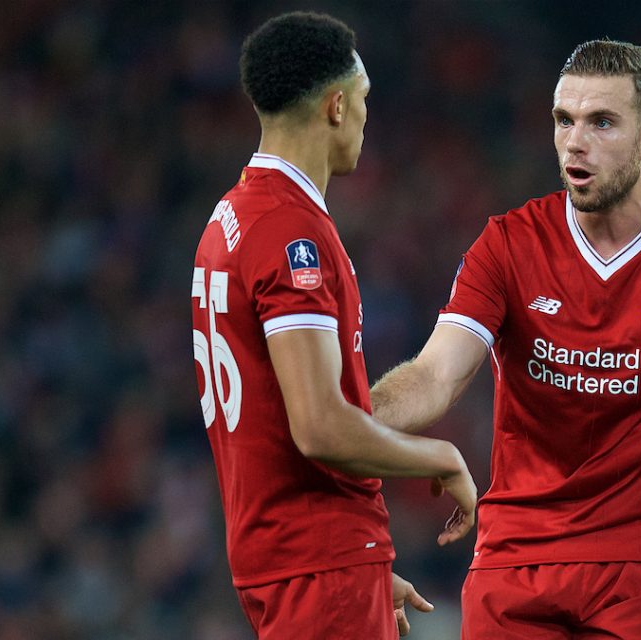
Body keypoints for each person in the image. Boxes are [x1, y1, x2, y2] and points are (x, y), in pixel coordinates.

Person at [370, 39, 641, 638]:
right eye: (564, 120)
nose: (575, 142)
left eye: (602, 122)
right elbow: (435, 376)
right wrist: (348, 416)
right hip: (518, 559)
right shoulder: (509, 244)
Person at [190, 12, 476, 639]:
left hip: (293, 558)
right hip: (315, 559)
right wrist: (441, 455)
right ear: (338, 106)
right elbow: (319, 425)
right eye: (366, 99)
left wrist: (363, 568)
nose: (369, 116)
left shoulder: (230, 215)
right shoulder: (290, 231)